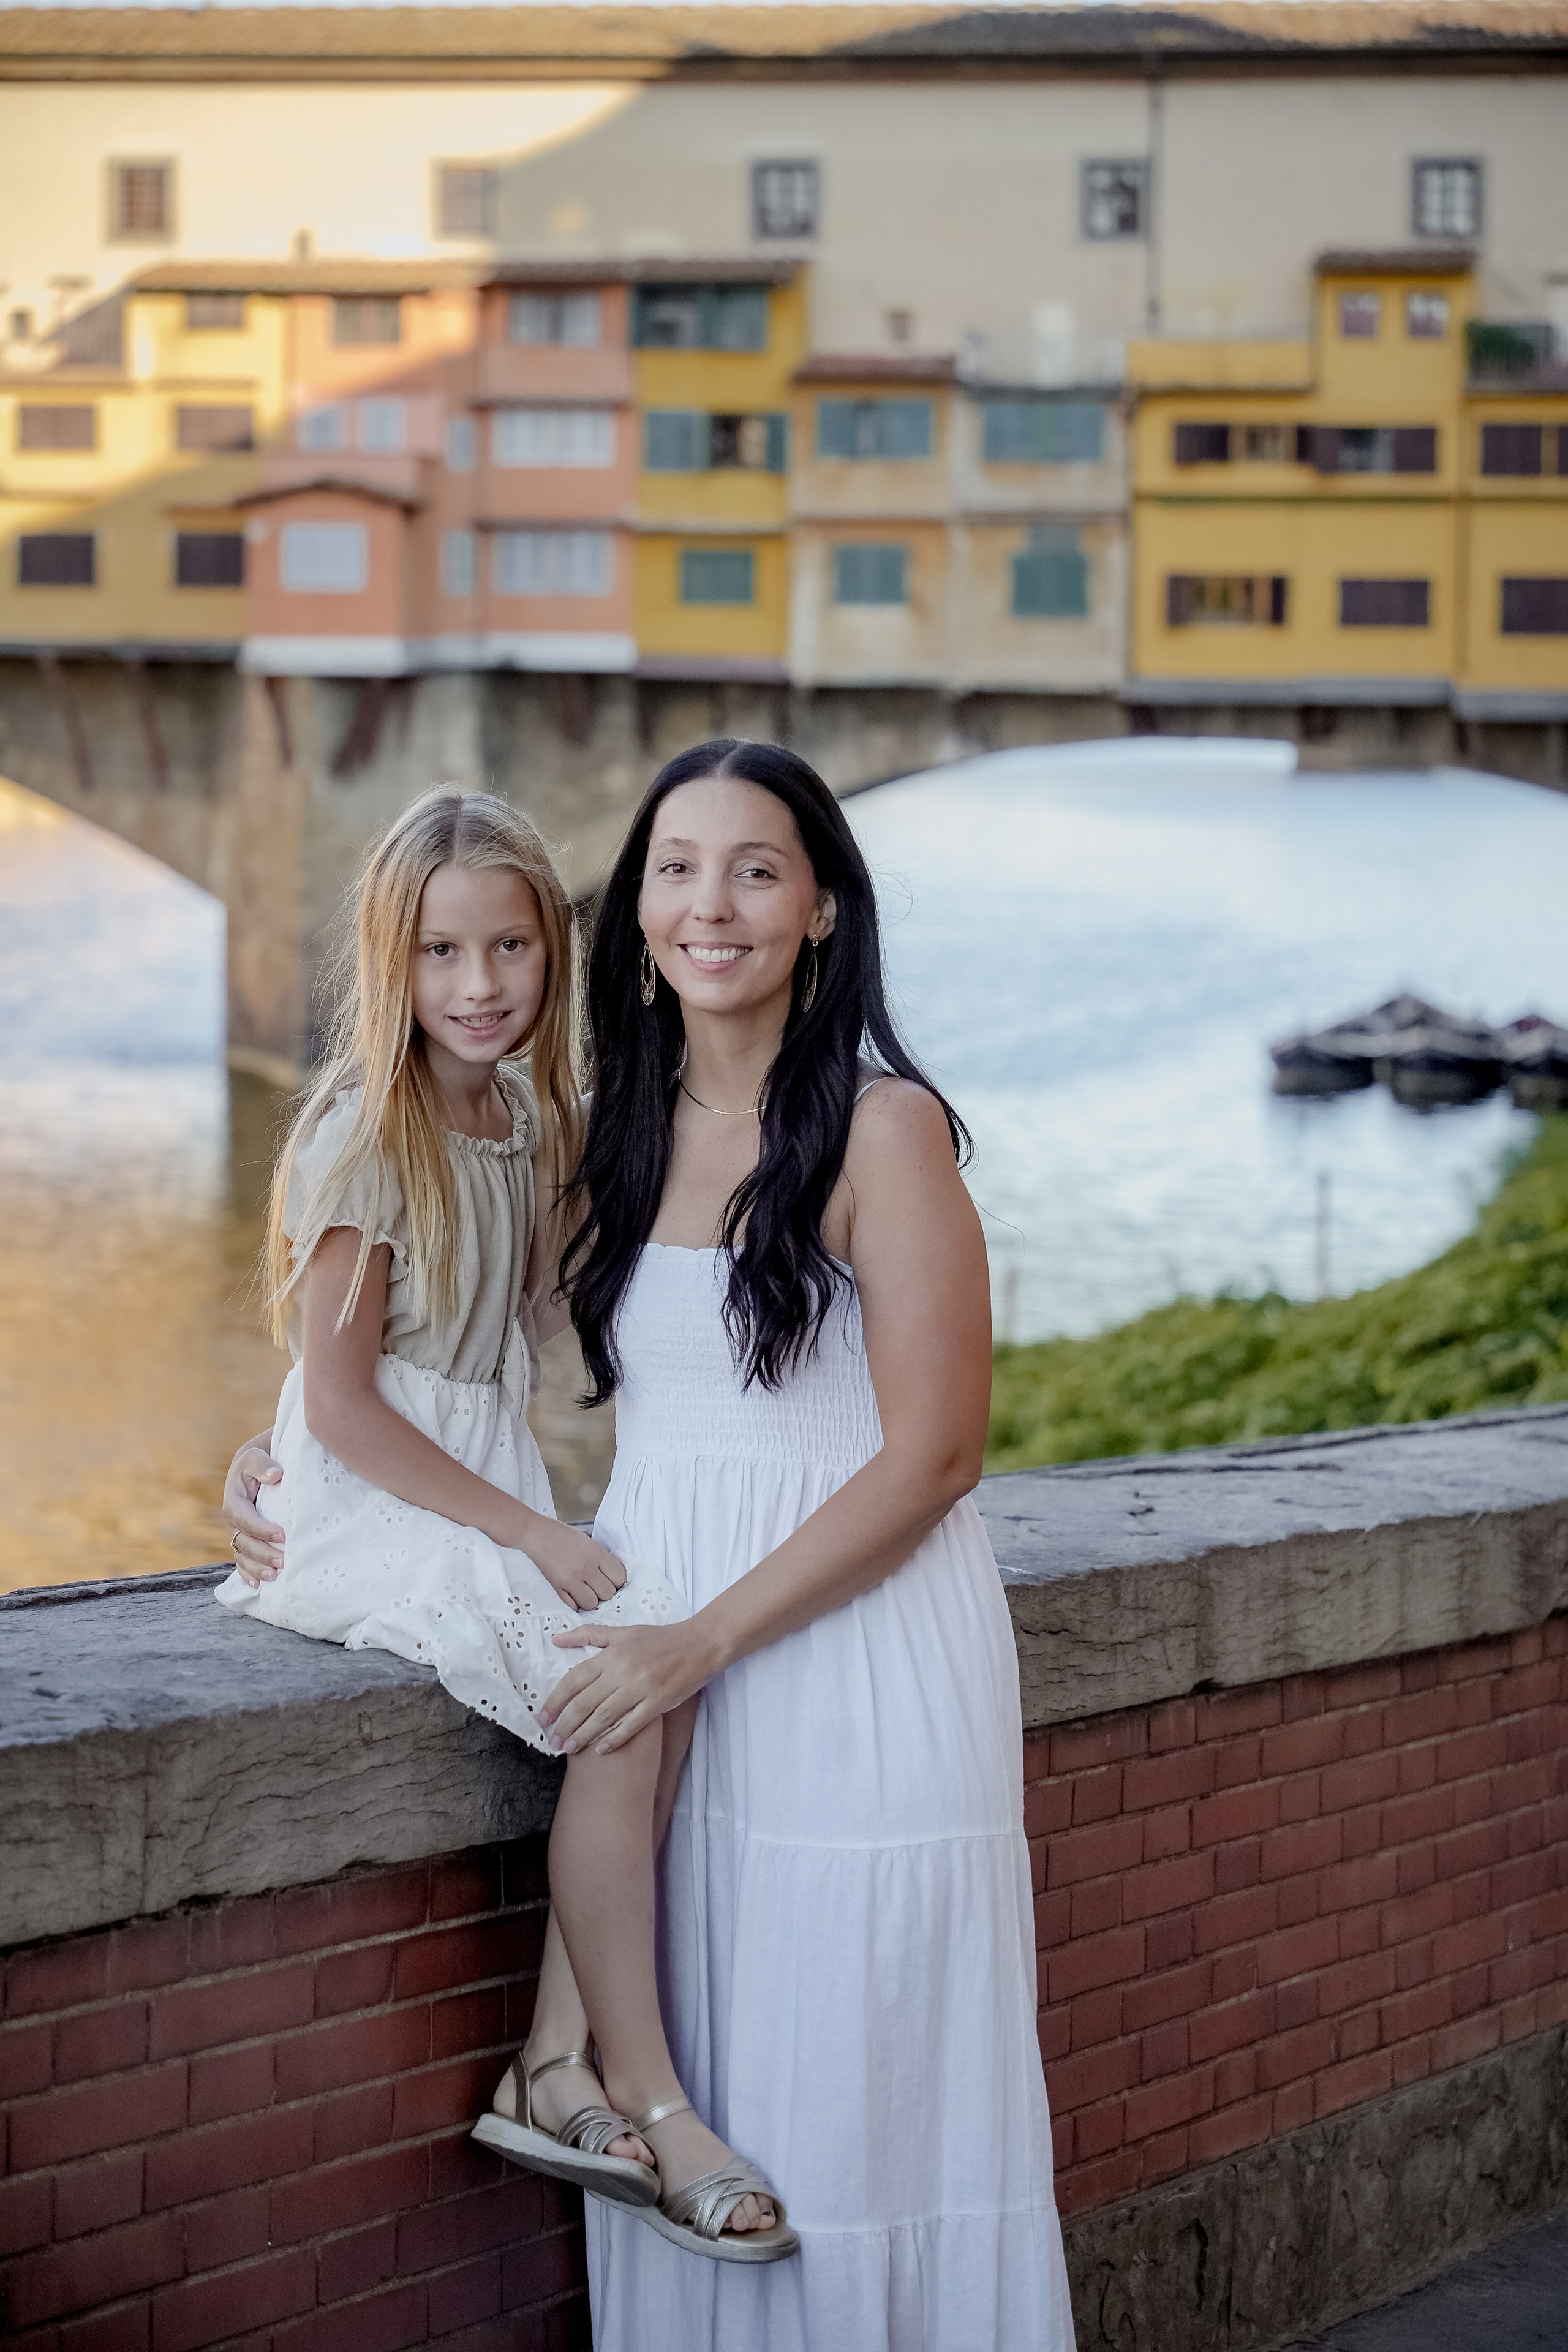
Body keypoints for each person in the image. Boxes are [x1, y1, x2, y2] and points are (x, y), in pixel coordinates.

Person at [217, 786, 692, 2212]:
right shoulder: (369, 1130)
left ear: (553, 952)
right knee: (626, 1703)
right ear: (391, 960)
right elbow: (350, 1399)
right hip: (387, 1493)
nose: (476, 987)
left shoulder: (527, 1120)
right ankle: (612, 2073)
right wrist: (536, 1531)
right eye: (440, 954)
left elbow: (529, 1312)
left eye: (508, 950)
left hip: (468, 1474)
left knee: (643, 1689)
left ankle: (558, 2062)